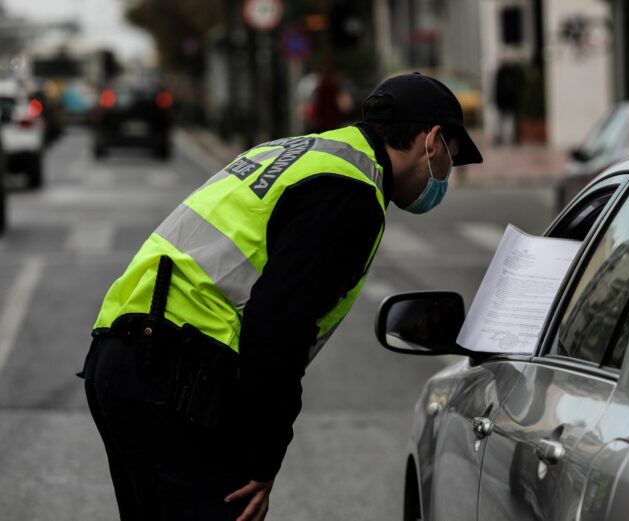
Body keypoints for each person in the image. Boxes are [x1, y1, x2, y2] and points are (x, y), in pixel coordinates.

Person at [80, 72, 483, 521]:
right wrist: (262, 458)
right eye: (454, 158)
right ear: (432, 141)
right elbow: (278, 330)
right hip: (173, 375)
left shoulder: (300, 151)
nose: (447, 176)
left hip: (124, 356)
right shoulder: (352, 193)